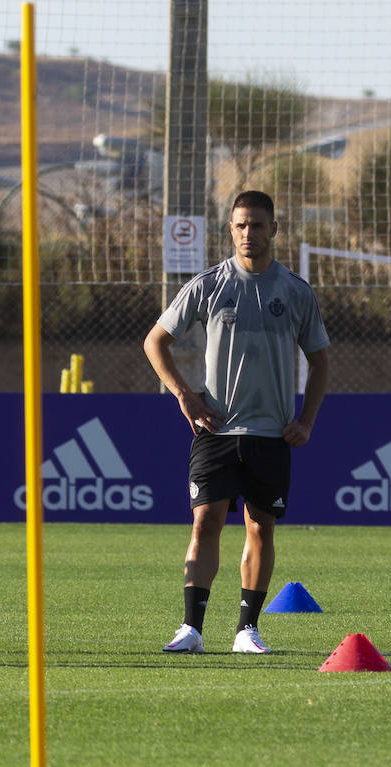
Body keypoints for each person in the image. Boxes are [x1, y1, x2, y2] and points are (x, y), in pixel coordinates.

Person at [144, 190, 330, 655]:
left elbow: (321, 361)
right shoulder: (208, 284)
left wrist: (306, 421)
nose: (249, 233)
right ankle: (191, 629)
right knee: (204, 522)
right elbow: (155, 342)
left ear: (274, 229)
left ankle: (247, 630)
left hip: (270, 434)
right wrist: (184, 395)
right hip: (216, 429)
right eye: (241, 225)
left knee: (260, 528)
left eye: (258, 225)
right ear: (230, 229)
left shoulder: (295, 291)